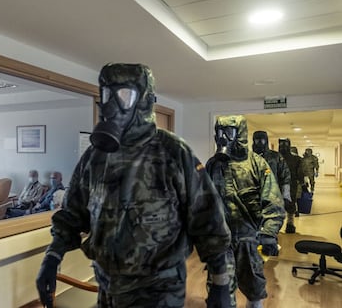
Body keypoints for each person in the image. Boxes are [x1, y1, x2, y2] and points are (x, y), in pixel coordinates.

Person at [36, 63, 232, 308]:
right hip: (106, 284)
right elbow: (73, 214)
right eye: (108, 95)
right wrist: (52, 257)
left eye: (124, 95)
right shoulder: (95, 157)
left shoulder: (173, 152)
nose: (113, 104)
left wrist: (220, 283)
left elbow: (208, 220)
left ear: (144, 101)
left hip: (158, 290)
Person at [206, 115, 285, 308]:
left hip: (249, 240)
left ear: (239, 135)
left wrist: (269, 233)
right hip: (220, 239)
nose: (223, 137)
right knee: (220, 291)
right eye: (219, 132)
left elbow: (273, 201)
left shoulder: (257, 165)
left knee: (254, 287)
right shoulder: (212, 164)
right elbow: (202, 199)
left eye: (229, 132)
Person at [252, 131, 292, 214]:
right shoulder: (249, 157)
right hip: (252, 198)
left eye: (262, 140)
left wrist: (286, 196)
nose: (259, 143)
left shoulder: (275, 157)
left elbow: (285, 176)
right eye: (257, 140)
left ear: (266, 140)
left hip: (272, 196)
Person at [278, 138, 304, 230]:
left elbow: (300, 172)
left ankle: (287, 224)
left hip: (287, 185)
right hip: (285, 185)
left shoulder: (274, 157)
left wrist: (302, 182)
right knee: (289, 203)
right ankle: (289, 224)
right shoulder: (296, 159)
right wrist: (302, 183)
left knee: (281, 204)